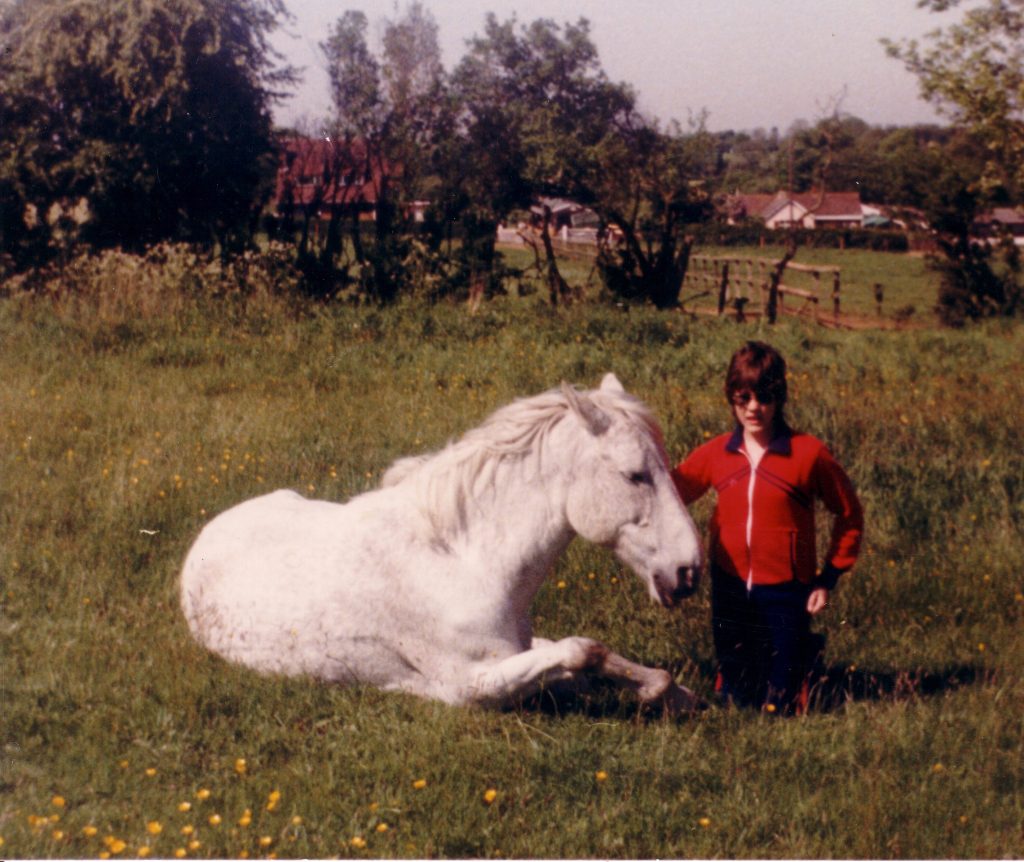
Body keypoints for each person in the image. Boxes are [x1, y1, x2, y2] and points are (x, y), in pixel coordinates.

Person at [673, 341, 863, 713]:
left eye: (765, 397)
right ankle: (734, 685)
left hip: (787, 589)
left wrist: (828, 579)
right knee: (735, 700)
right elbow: (668, 493)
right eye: (743, 398)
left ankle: (802, 667)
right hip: (729, 585)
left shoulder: (809, 453)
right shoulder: (716, 453)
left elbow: (849, 514)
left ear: (780, 397)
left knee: (782, 703)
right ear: (731, 397)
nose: (754, 408)